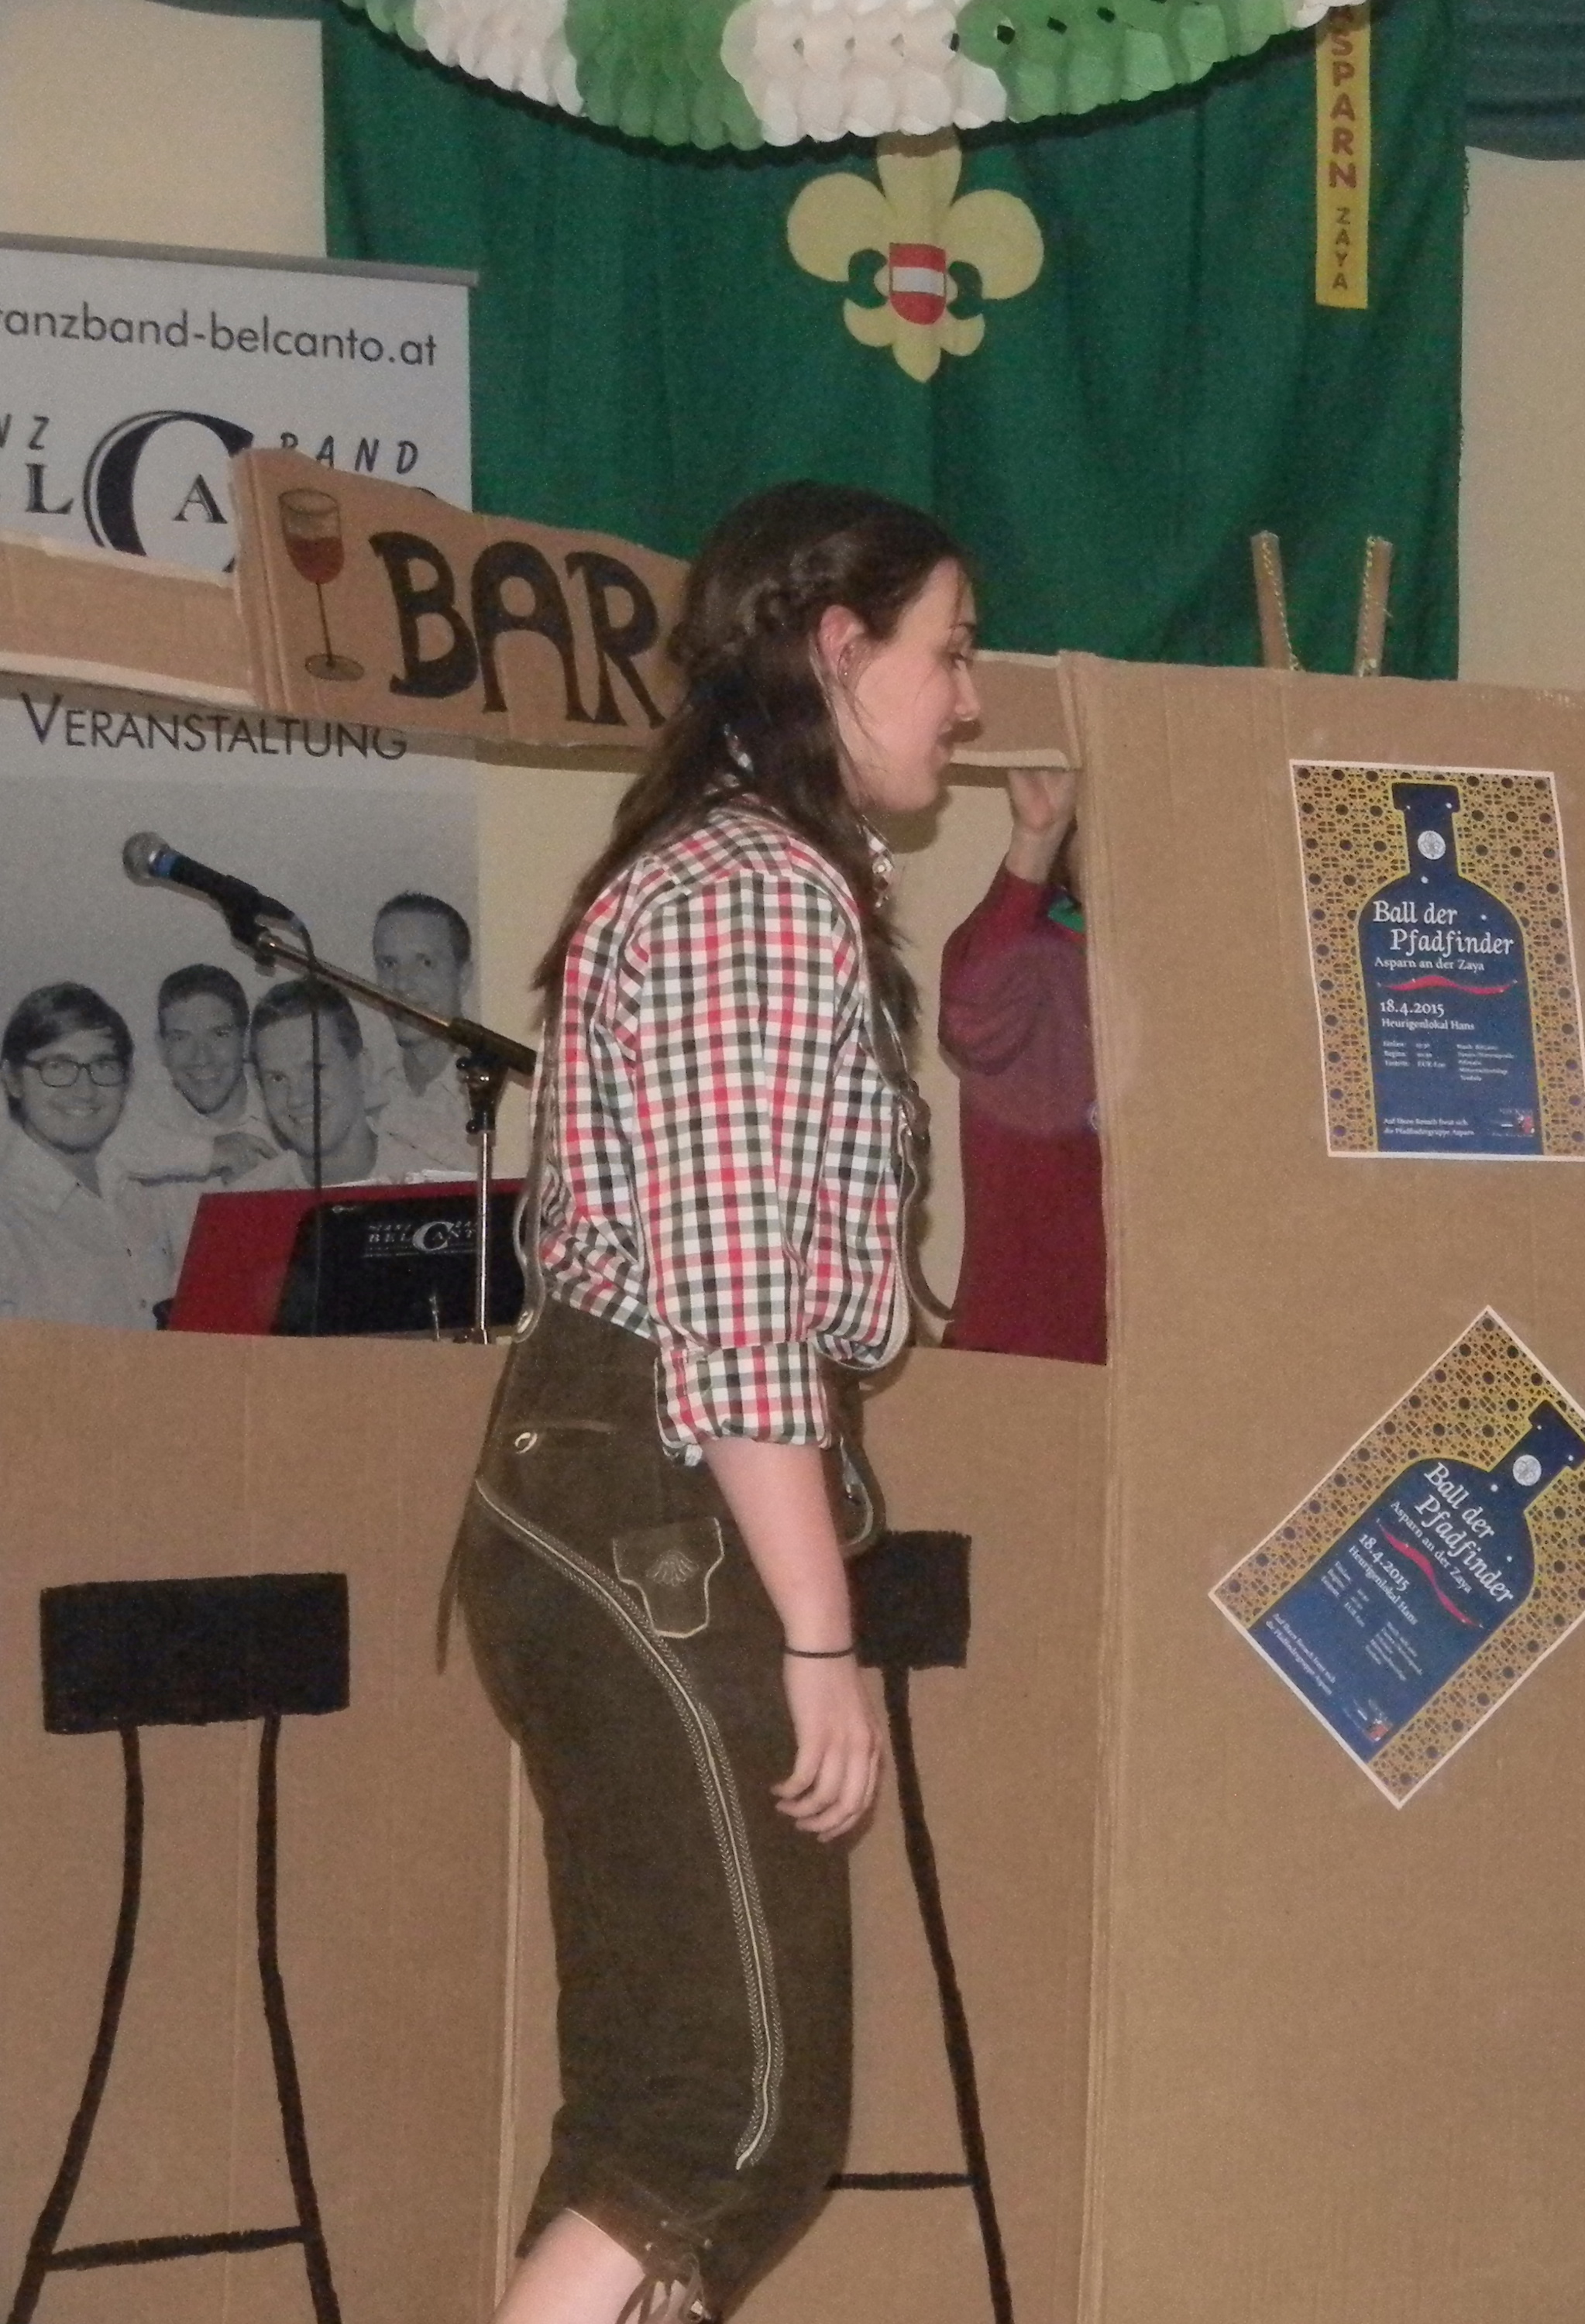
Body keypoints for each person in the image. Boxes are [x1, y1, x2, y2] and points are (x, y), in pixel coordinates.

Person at [450, 481, 972, 2324]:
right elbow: (737, 1313)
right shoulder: (753, 895)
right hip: (655, 1507)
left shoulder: (741, 871)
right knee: (728, 2117)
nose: (967, 696)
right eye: (947, 649)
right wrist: (820, 1640)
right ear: (837, 647)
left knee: (667, 2102)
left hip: (623, 1499)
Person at [936, 763, 1105, 1363]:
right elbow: (971, 1025)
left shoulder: (1198, 972)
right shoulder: (1033, 944)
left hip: (1164, 1352)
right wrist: (1037, 838)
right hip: (1026, 1348)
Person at [0, 982, 178, 1328]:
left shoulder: (138, 1192)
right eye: (58, 1067)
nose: (85, 1090)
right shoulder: (9, 1221)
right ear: (13, 1080)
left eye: (103, 1065)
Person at [107, 962, 280, 1259]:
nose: (201, 1057)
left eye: (219, 1034)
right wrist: (211, 1153)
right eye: (181, 1037)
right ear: (162, 1047)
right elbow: (91, 1146)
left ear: (245, 1040)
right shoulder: (144, 1111)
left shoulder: (283, 1107)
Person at [235, 977, 456, 1188]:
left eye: (315, 1069)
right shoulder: (247, 1202)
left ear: (363, 1069)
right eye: (277, 1078)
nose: (296, 1098)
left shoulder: (433, 1188)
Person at [366, 890, 480, 1174]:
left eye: (425, 963)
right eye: (389, 964)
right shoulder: (365, 1086)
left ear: (463, 977)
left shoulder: (493, 1089)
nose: (402, 984)